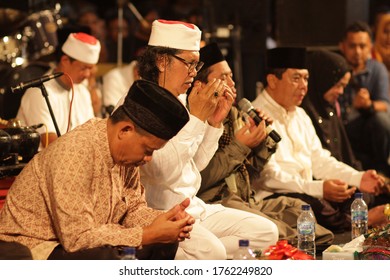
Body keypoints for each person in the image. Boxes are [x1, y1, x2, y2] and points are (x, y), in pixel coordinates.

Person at [130, 20, 278, 260]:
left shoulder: (178, 99)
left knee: (266, 232)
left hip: (194, 207)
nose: (193, 72)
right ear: (161, 61)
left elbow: (195, 165)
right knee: (215, 251)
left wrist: (213, 122)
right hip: (163, 213)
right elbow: (162, 173)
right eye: (188, 63)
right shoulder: (139, 101)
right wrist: (197, 118)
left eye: (195, 64)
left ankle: (198, 256)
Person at [0, 80, 194, 260]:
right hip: (37, 246)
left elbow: (132, 209)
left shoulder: (126, 157)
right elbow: (78, 239)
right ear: (125, 130)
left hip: (86, 237)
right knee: (104, 258)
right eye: (148, 150)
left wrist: (164, 220)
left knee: (164, 243)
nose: (148, 159)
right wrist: (148, 234)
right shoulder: (74, 153)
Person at [196, 42, 334, 245]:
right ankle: (294, 245)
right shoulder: (195, 119)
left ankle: (300, 242)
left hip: (246, 198)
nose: (231, 83)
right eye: (222, 77)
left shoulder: (235, 115)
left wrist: (261, 142)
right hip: (219, 201)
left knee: (298, 208)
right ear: (201, 85)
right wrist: (240, 145)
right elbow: (200, 179)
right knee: (276, 228)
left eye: (231, 76)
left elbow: (252, 173)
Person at [251, 47, 387, 232]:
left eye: (306, 78)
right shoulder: (255, 116)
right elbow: (269, 178)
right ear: (272, 81)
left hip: (308, 190)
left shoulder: (300, 114)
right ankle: (363, 221)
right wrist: (319, 188)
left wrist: (358, 177)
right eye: (296, 78)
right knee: (314, 206)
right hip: (275, 196)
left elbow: (320, 160)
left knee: (355, 193)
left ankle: (356, 220)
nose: (304, 86)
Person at [301, 49, 389, 227]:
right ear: (324, 80)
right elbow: (316, 164)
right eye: (338, 85)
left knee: (373, 192)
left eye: (344, 86)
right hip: (315, 185)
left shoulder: (329, 109)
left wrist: (360, 176)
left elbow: (343, 155)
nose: (341, 92)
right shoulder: (305, 111)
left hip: (338, 176)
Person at [16, 32, 100, 148]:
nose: (87, 74)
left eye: (91, 69)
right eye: (84, 68)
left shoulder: (82, 90)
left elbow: (92, 134)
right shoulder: (39, 92)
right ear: (65, 60)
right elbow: (51, 146)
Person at [338, 21, 390, 177]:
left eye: (362, 46)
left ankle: (382, 170)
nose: (358, 52)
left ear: (370, 47)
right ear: (343, 46)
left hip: (370, 128)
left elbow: (386, 104)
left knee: (382, 119)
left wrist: (368, 105)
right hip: (343, 128)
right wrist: (353, 107)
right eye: (352, 46)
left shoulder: (377, 69)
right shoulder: (335, 68)